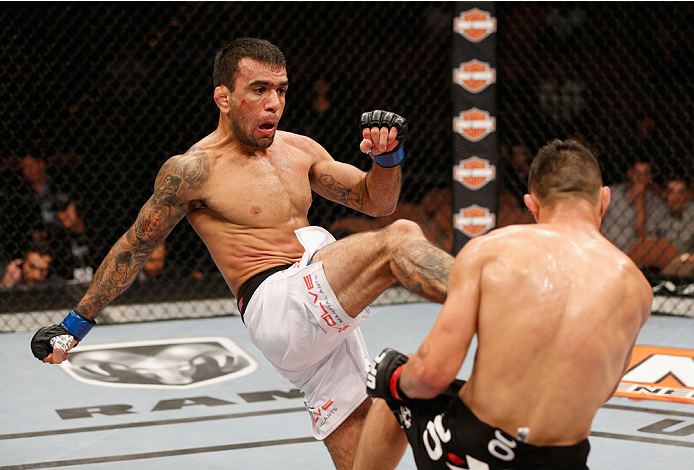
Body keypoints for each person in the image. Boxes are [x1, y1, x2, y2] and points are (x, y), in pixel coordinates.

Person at [30, 38, 454, 469]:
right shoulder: (194, 169)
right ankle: (494, 298)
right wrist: (74, 324)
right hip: (275, 301)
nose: (273, 103)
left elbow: (375, 202)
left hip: (315, 312)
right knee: (399, 237)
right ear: (224, 98)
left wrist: (387, 159)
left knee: (360, 435)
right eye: (258, 90)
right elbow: (136, 246)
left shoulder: (299, 149)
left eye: (281, 90)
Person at [354, 139, 653, 470]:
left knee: (395, 375)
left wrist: (391, 379)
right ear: (604, 200)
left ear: (531, 204)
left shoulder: (490, 251)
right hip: (564, 461)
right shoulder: (636, 287)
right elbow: (603, 390)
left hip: (476, 450)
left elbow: (431, 375)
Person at [600, 159, 667, 254]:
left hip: (635, 254)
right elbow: (598, 220)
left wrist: (639, 202)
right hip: (606, 248)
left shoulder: (655, 203)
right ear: (629, 174)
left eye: (645, 174)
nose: (641, 178)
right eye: (637, 174)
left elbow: (642, 235)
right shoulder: (613, 193)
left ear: (650, 177)